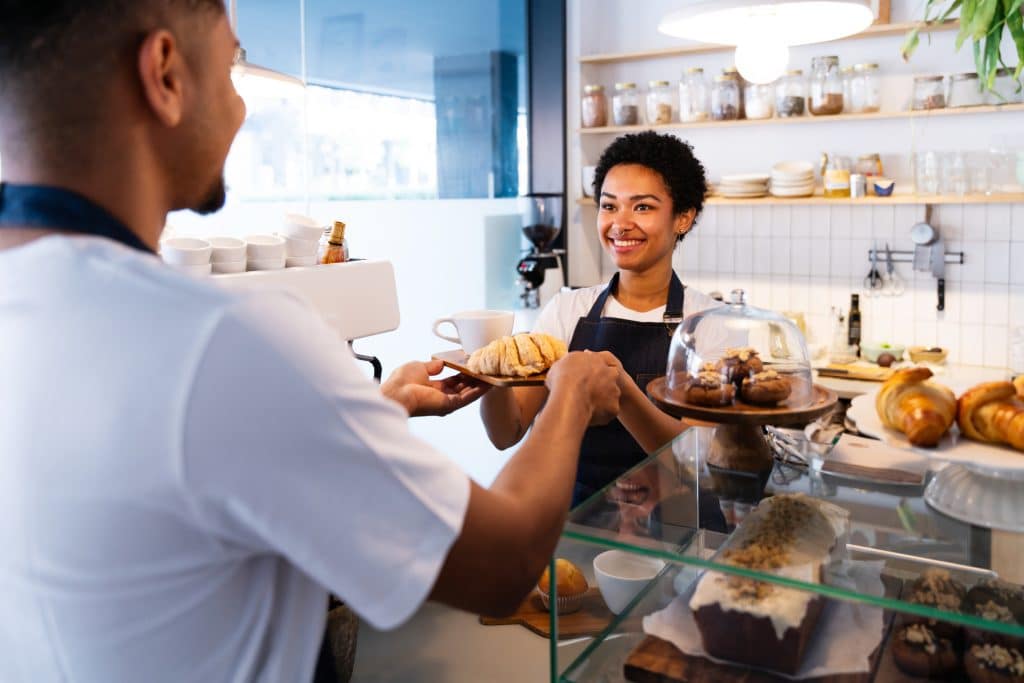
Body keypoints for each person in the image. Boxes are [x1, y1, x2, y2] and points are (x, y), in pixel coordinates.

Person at [0, 2, 621, 681]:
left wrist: (378, 410)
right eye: (233, 66)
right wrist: (571, 396)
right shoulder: (227, 338)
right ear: (165, 74)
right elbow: (504, 564)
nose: (241, 109)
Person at [481, 131, 721, 506]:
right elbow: (506, 432)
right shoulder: (567, 311)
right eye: (609, 207)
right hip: (576, 521)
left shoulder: (709, 323)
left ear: (683, 218)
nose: (620, 224)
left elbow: (698, 462)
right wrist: (491, 373)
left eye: (642, 207)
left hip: (678, 526)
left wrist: (621, 390)